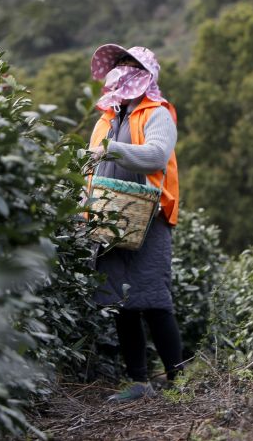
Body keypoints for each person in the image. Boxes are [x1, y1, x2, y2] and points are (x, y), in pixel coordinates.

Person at [86, 44, 182, 403]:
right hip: (110, 216)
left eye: (131, 65)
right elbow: (91, 172)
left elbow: (157, 155)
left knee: (154, 299)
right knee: (122, 299)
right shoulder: (108, 117)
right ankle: (139, 381)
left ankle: (179, 379)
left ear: (146, 75)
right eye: (120, 64)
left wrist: (114, 149)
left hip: (149, 217)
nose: (123, 70)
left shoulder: (156, 113)